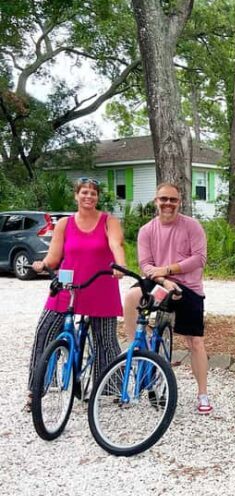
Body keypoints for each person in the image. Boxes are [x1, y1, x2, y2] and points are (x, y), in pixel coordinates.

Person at [26, 177, 126, 411]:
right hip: (68, 285)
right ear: (76, 196)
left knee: (106, 339)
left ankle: (110, 387)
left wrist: (119, 266)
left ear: (97, 197)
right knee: (44, 332)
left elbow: (116, 245)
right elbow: (54, 256)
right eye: (84, 192)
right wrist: (42, 264)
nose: (88, 196)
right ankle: (36, 389)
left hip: (100, 284)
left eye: (93, 193)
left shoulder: (108, 221)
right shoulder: (64, 224)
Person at [123, 183, 211, 414]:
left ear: (179, 202)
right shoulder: (147, 230)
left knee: (196, 342)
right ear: (156, 201)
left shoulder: (191, 226)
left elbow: (199, 259)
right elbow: (145, 264)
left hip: (188, 287)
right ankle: (136, 348)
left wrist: (168, 271)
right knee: (132, 296)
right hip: (160, 283)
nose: (168, 204)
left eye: (172, 199)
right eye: (163, 199)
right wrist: (163, 280)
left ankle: (202, 394)